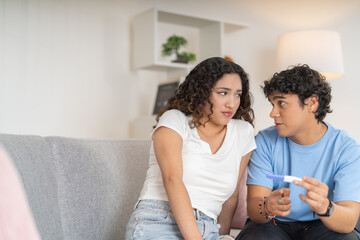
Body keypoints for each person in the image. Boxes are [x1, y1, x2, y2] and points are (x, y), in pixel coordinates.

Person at [125, 57, 256, 240]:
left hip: (209, 227)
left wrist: (221, 236)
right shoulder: (175, 120)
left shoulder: (243, 132)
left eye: (237, 94)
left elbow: (231, 197)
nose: (232, 103)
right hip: (159, 221)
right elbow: (172, 180)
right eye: (223, 93)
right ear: (201, 92)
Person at [236, 64, 360, 240]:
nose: (272, 113)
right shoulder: (264, 141)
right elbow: (255, 207)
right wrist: (267, 207)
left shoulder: (346, 149)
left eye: (282, 103)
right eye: (272, 104)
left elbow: (348, 221)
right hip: (273, 223)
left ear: (312, 103)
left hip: (323, 223)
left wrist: (325, 206)